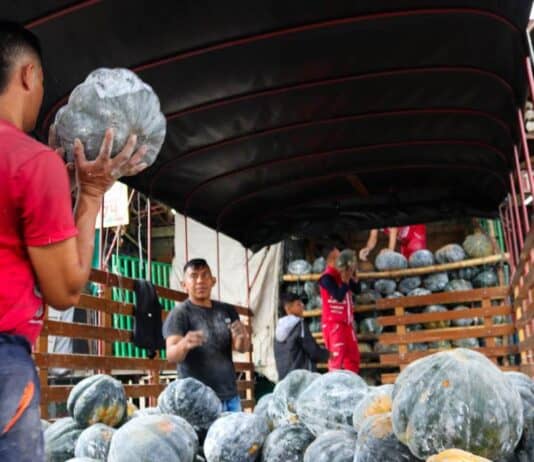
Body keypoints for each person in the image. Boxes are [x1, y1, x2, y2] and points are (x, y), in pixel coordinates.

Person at [0, 21, 148, 461]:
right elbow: (64, 290)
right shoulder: (30, 159)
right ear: (28, 75)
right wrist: (91, 196)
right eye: (43, 81)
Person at [163, 258, 251, 412]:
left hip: (230, 396)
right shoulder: (180, 313)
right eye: (194, 276)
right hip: (197, 400)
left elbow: (241, 348)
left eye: (205, 275)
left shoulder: (227, 310)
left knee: (235, 436)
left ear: (213, 281)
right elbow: (171, 355)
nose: (200, 281)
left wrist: (243, 337)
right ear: (184, 285)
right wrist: (184, 344)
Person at [318, 244, 361, 373]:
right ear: (331, 259)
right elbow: (338, 296)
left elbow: (358, 290)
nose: (341, 259)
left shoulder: (342, 274)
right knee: (336, 358)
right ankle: (333, 387)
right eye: (338, 256)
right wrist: (345, 280)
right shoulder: (326, 278)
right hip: (333, 324)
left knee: (353, 357)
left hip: (346, 323)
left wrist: (353, 275)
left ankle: (353, 384)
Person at [274, 292, 329, 380]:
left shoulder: (277, 329)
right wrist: (328, 354)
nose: (303, 306)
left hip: (285, 378)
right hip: (302, 378)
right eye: (298, 304)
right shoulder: (300, 325)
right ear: (288, 308)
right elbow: (313, 351)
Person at [359, 225, 427, 261]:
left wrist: (390, 250)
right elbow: (373, 237)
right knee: (407, 263)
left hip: (415, 232)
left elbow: (393, 230)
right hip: (403, 240)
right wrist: (367, 248)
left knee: (418, 260)